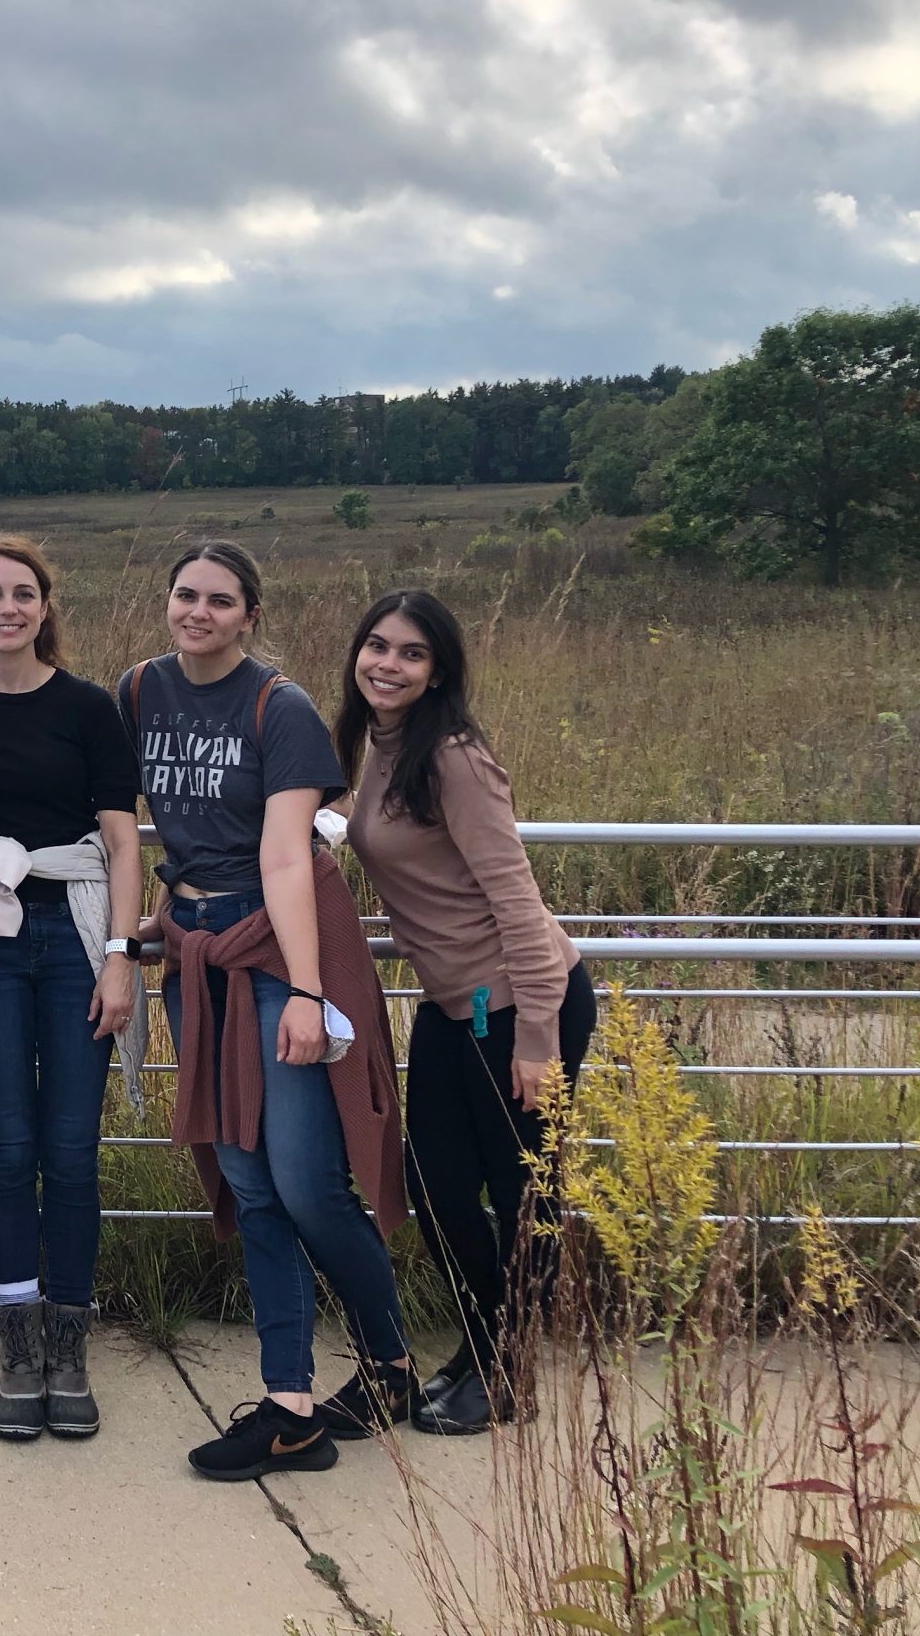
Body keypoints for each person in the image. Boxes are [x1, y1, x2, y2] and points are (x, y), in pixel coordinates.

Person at [121, 540, 412, 1482]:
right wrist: (136, 937)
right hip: (197, 953)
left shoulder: (277, 709)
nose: (196, 613)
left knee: (305, 1181)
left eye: (218, 600)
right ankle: (290, 1405)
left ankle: (391, 1363)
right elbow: (124, 824)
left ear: (250, 614)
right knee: (250, 1184)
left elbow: (288, 856)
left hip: (278, 950)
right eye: (184, 596)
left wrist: (309, 992)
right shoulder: (140, 692)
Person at [335, 588, 595, 1436]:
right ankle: (488, 1344)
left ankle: (505, 1364)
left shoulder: (452, 757)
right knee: (435, 1184)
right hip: (458, 1005)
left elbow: (516, 900)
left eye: (411, 653)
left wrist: (538, 1038)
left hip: (516, 1000)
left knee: (522, 1191)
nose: (389, 664)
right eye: (378, 646)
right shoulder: (379, 743)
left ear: (438, 669)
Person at [0, 537, 142, 1440]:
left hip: (76, 927)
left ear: (45, 606)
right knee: (7, 1146)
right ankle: (17, 1346)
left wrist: (122, 954)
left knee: (73, 1149)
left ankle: (70, 1342)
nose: (7, 608)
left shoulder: (89, 709)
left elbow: (125, 840)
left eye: (24, 593)